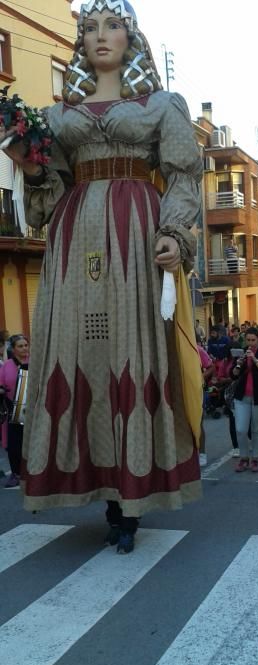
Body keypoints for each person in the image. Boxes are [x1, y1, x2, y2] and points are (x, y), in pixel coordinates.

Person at [2, 1, 203, 553]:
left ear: (132, 36)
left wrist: (174, 232)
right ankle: (101, 487)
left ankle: (130, 502)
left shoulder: (162, 105)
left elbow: (183, 173)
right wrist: (33, 164)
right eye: (88, 28)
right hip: (74, 242)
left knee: (131, 356)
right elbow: (49, 195)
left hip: (136, 238)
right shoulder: (58, 116)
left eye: (112, 25)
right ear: (80, 42)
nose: (99, 36)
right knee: (83, 356)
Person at [230, 328, 258, 473]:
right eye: (248, 340)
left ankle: (255, 458)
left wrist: (254, 359)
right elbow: (233, 374)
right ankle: (243, 457)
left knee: (256, 429)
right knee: (241, 429)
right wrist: (238, 364)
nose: (250, 343)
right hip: (242, 396)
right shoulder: (241, 353)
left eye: (253, 340)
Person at [0, 335, 30, 488]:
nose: (25, 348)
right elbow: (1, 383)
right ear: (13, 349)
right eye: (20, 346)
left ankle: (36, 474)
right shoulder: (7, 365)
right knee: (14, 444)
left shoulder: (35, 362)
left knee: (32, 442)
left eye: (26, 345)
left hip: (32, 409)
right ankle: (16, 474)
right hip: (13, 408)